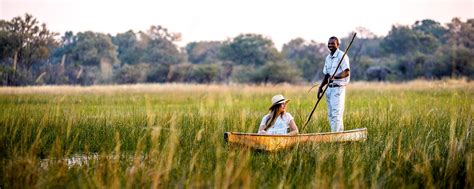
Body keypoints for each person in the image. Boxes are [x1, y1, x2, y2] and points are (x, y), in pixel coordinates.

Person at [317, 36, 350, 132]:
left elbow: (346, 72)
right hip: (328, 89)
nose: (330, 45)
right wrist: (320, 87)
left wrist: (335, 77)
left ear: (338, 45)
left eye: (333, 43)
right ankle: (339, 136)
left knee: (336, 114)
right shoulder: (328, 58)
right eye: (329, 43)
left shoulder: (342, 56)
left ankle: (334, 138)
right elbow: (327, 75)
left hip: (338, 88)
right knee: (331, 114)